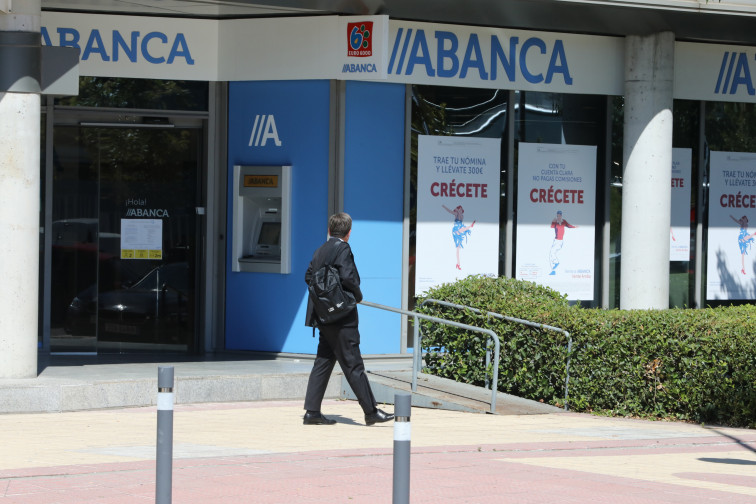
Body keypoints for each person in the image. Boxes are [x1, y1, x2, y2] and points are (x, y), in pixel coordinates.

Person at [302, 212, 394, 426]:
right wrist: (356, 296)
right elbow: (348, 278)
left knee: (323, 362)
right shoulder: (343, 248)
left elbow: (309, 277)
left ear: (329, 230)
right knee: (353, 363)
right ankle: (370, 411)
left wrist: (325, 299)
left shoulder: (320, 250)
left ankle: (312, 412)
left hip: (324, 316)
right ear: (349, 233)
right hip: (342, 316)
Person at [442, 204, 475, 270]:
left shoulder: (462, 216)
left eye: (460, 209)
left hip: (460, 229)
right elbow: (449, 211)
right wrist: (444, 206)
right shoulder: (456, 214)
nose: (460, 210)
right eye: (459, 209)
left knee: (458, 248)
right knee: (461, 230)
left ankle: (458, 264)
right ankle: (470, 226)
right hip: (456, 229)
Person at [549, 210, 577, 275]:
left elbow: (569, 225)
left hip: (560, 241)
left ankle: (556, 263)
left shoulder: (564, 221)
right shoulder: (555, 222)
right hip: (556, 240)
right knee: (551, 253)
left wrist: (574, 226)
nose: (559, 216)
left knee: (552, 253)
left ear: (561, 216)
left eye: (560, 215)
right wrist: (553, 221)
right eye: (558, 215)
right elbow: (551, 227)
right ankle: (553, 269)